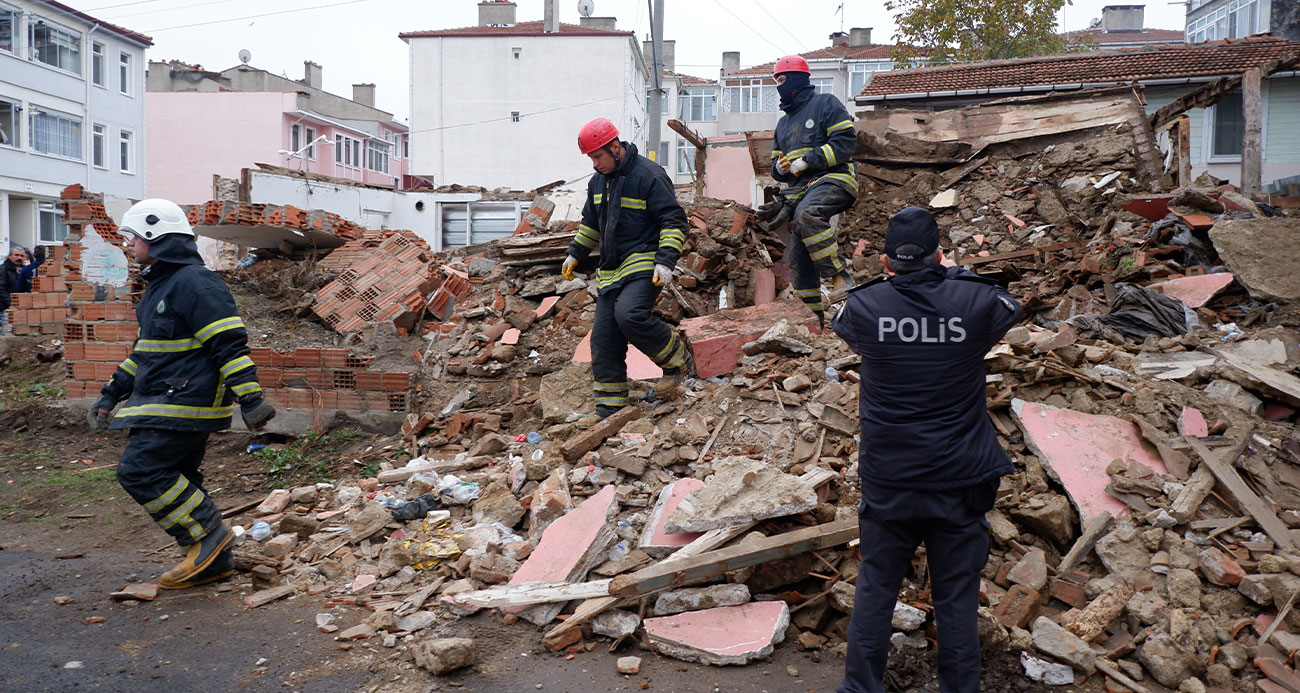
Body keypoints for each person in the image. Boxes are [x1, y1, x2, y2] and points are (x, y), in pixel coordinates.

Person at [831, 206, 1023, 693]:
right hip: (958, 478)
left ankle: (859, 688)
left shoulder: (865, 308)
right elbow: (1010, 308)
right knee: (956, 596)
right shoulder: (978, 303)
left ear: (885, 262)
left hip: (889, 477)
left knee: (876, 587)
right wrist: (952, 275)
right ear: (940, 253)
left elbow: (839, 321)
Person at [88, 199, 276, 589]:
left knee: (140, 471)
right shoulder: (161, 287)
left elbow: (229, 345)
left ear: (155, 238)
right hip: (165, 399)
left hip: (183, 401)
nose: (130, 246)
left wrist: (251, 400)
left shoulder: (197, 283)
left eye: (135, 238)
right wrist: (110, 395)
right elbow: (145, 354)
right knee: (180, 477)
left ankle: (208, 537)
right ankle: (214, 562)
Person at [562, 117, 691, 425]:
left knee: (630, 315)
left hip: (645, 261)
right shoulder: (597, 182)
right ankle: (610, 411)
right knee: (604, 340)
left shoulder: (648, 175)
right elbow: (591, 225)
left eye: (598, 156)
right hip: (611, 271)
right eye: (591, 158)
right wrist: (574, 254)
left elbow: (673, 220)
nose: (594, 164)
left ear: (615, 147)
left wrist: (666, 261)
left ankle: (678, 363)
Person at [762, 54, 858, 327]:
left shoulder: (825, 104)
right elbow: (775, 165)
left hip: (835, 179)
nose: (779, 86)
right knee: (799, 260)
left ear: (796, 79)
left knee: (807, 216)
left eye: (782, 80)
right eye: (776, 81)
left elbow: (845, 142)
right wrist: (780, 169)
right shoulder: (783, 124)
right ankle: (812, 324)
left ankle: (840, 275)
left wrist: (809, 160)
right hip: (801, 190)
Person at [0, 246, 26, 335]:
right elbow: (1, 289)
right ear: (9, 256)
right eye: (16, 255)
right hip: (5, 308)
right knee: (6, 333)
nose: (19, 258)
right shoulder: (3, 269)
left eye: (22, 256)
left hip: (20, 308)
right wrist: (11, 302)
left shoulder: (24, 270)